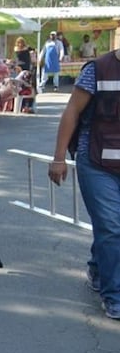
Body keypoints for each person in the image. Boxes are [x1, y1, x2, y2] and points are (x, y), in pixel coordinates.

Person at [48, 48, 120, 321]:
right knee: (111, 226)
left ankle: (98, 269)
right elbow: (72, 111)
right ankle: (115, 296)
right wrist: (59, 158)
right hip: (97, 161)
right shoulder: (97, 69)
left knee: (110, 227)